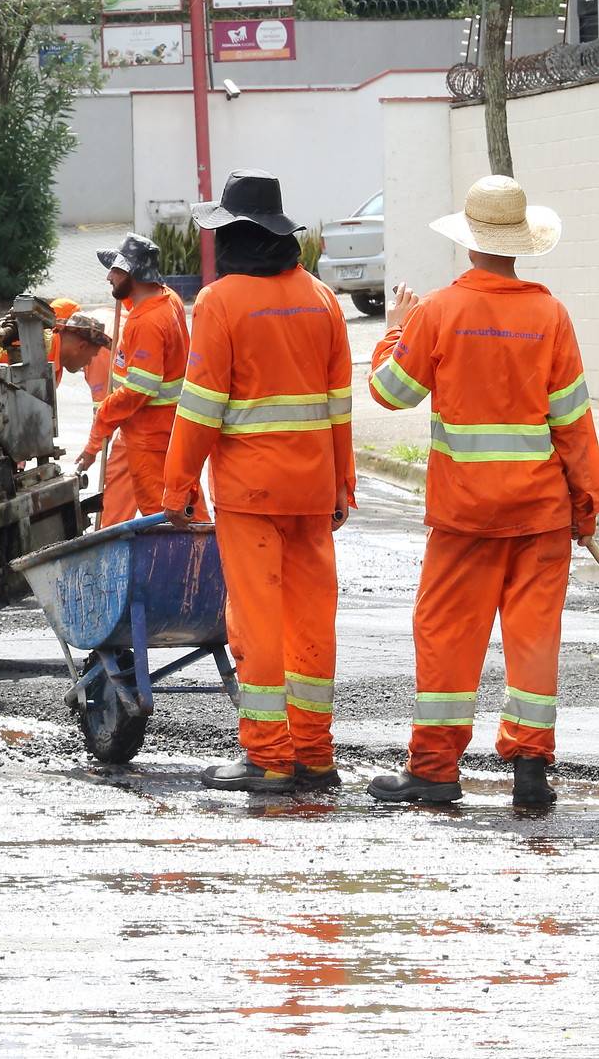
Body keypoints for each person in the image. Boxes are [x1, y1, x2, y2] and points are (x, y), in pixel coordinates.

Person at [363, 175, 598, 808]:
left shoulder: (439, 311)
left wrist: (395, 329)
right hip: (541, 511)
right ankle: (530, 770)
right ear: (520, 245)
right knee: (533, 638)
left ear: (469, 243)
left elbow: (389, 392)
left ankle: (435, 770)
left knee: (446, 633)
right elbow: (574, 424)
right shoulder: (550, 314)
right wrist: (585, 508)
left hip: (465, 514)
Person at [163, 170, 354, 795]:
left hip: (250, 493)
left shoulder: (219, 303)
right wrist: (342, 484)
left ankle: (268, 755)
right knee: (310, 620)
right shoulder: (323, 300)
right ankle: (315, 752)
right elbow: (338, 407)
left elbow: (199, 411)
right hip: (313, 490)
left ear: (234, 234)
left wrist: (177, 486)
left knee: (256, 621)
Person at [75, 234, 189, 525]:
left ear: (132, 274)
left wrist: (103, 418)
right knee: (184, 511)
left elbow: (140, 389)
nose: (109, 277)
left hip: (150, 441)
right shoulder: (168, 300)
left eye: (115, 270)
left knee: (163, 521)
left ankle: (182, 571)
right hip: (168, 432)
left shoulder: (146, 323)